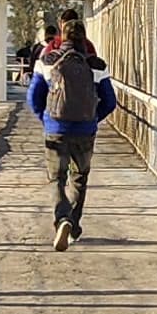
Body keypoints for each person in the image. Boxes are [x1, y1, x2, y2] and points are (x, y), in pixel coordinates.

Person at [26, 15, 118, 248]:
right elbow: (110, 101)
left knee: (56, 178)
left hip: (56, 128)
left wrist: (46, 120)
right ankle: (73, 224)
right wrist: (93, 120)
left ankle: (62, 218)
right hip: (85, 130)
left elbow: (33, 97)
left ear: (62, 36)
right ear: (84, 39)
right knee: (79, 178)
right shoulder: (97, 65)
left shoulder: (47, 61)